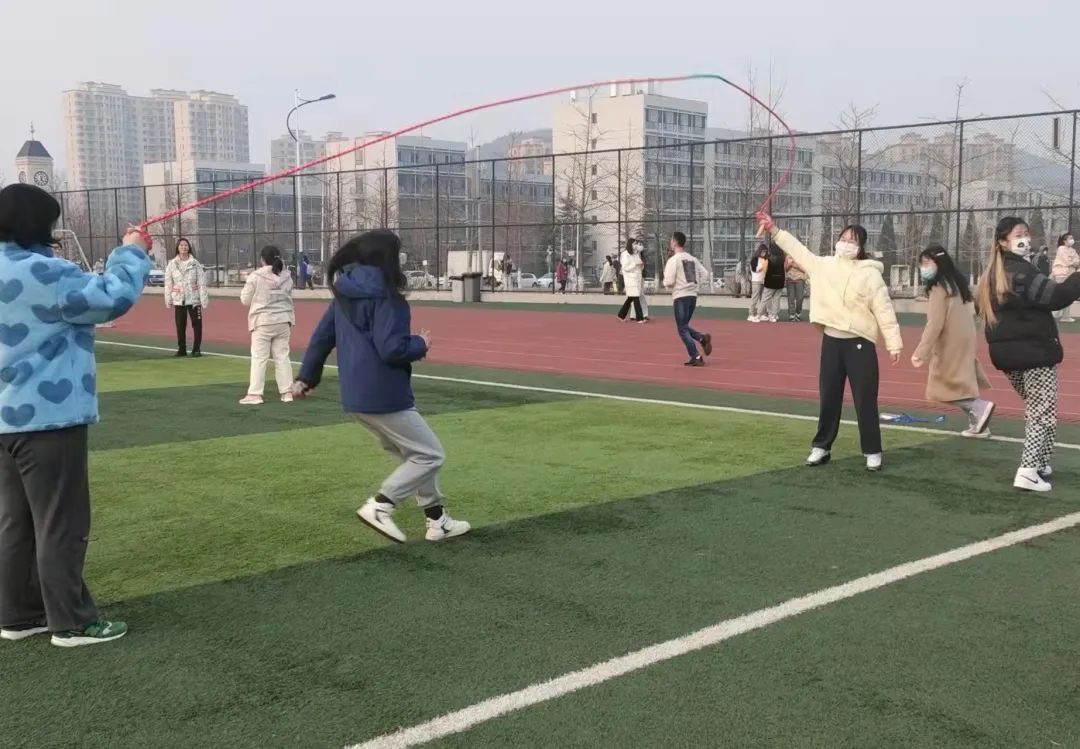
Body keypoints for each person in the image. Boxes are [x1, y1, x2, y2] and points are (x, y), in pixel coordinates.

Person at [0, 184, 151, 647]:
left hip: (5, 419)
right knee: (60, 522)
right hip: (48, 420)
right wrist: (132, 251)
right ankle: (71, 621)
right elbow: (111, 296)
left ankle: (19, 614)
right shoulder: (48, 273)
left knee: (15, 522)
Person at [293, 229, 470, 542]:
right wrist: (420, 343)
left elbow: (321, 339)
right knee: (430, 455)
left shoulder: (344, 294)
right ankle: (381, 505)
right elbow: (391, 349)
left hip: (356, 395)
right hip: (384, 394)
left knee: (413, 455)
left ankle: (436, 519)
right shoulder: (388, 298)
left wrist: (306, 377)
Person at [757, 211, 902, 472]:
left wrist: (894, 343)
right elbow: (798, 250)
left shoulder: (870, 275)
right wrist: (774, 230)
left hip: (860, 345)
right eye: (843, 238)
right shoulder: (823, 265)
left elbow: (884, 310)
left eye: (852, 240)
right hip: (832, 343)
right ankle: (821, 447)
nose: (846, 243)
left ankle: (872, 451)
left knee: (865, 400)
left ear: (860, 247)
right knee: (829, 398)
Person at [978, 217, 1080, 492]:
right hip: (1033, 351)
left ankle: (1042, 463)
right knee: (1041, 411)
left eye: (1026, 233)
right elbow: (1056, 297)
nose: (1025, 239)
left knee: (1043, 407)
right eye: (1018, 234)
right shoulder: (1022, 272)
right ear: (1003, 241)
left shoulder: (993, 274)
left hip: (1006, 355)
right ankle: (1028, 470)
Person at [911, 246, 995, 438]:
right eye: (922, 263)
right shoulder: (956, 284)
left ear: (939, 263)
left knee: (940, 388)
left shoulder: (939, 288)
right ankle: (979, 423)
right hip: (964, 337)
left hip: (950, 341)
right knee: (961, 382)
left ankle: (979, 407)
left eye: (927, 263)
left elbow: (935, 324)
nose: (923, 267)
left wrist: (921, 352)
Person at [239, 246, 296, 405]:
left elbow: (245, 300)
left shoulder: (256, 276)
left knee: (259, 357)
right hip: (283, 320)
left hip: (262, 321)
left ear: (262, 259)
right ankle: (287, 392)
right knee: (282, 357)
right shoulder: (287, 277)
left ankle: (255, 394)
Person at [663, 231, 712, 366]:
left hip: (680, 296)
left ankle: (696, 355)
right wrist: (695, 284)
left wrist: (667, 283)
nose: (670, 242)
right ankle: (701, 338)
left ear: (674, 242)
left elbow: (669, 281)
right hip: (692, 296)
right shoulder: (692, 259)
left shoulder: (673, 260)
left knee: (682, 329)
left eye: (671, 240)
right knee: (684, 326)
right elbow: (705, 274)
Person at [164, 237, 209, 357]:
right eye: (181, 245)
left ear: (189, 248)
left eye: (186, 245)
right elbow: (168, 283)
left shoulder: (195, 264)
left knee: (197, 325)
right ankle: (182, 349)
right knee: (180, 325)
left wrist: (203, 299)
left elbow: (201, 282)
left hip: (194, 299)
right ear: (177, 248)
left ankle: (196, 349)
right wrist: (168, 299)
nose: (184, 247)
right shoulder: (172, 264)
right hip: (179, 299)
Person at [617, 239, 647, 323]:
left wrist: (641, 265)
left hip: (637, 278)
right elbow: (625, 268)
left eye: (636, 244)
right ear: (630, 244)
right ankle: (640, 318)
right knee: (636, 298)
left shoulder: (635, 254)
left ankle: (621, 315)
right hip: (630, 279)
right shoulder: (625, 255)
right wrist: (635, 264)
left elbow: (640, 265)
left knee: (630, 298)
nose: (635, 246)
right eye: (634, 244)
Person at [1052, 232, 1078, 322]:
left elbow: (1077, 261)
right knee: (1060, 294)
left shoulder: (1073, 250)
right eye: (1070, 238)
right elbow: (1067, 261)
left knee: (1069, 295)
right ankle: (1054, 314)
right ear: (1064, 241)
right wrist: (1073, 262)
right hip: (1061, 273)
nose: (1072, 240)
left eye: (1072, 238)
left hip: (1070, 274)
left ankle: (1065, 316)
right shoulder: (1061, 249)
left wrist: (1073, 262)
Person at [761, 242, 786, 323]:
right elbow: (785, 269)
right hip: (780, 281)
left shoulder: (768, 259)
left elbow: (764, 270)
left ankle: (759, 314)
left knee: (765, 298)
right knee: (776, 300)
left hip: (770, 281)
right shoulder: (783, 258)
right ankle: (774, 316)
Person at [748, 244, 768, 322]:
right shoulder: (754, 259)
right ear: (759, 251)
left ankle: (762, 314)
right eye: (763, 251)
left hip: (763, 280)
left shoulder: (765, 259)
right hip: (756, 281)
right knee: (755, 298)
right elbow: (754, 269)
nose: (764, 253)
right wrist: (762, 266)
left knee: (763, 299)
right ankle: (751, 314)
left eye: (765, 252)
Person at [785, 254, 808, 322]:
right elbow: (786, 269)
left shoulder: (802, 256)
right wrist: (789, 265)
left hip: (800, 279)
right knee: (791, 298)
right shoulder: (788, 256)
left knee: (800, 298)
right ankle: (792, 314)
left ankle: (798, 313)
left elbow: (805, 270)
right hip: (790, 279)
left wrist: (794, 265)